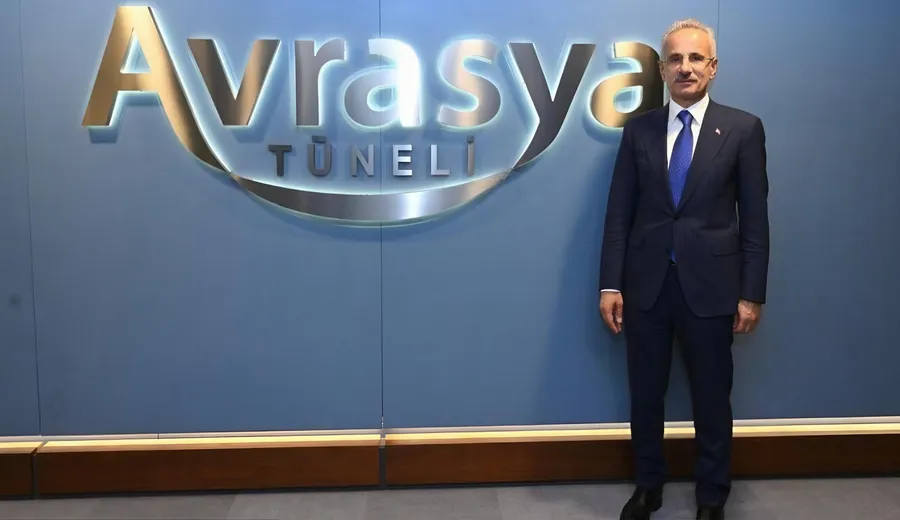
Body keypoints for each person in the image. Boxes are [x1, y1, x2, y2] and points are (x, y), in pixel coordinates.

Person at [598, 18, 769, 520]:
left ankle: (712, 496)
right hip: (646, 287)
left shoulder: (743, 129)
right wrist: (610, 284)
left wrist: (751, 292)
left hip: (713, 289)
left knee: (712, 398)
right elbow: (618, 214)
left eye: (696, 58)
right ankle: (648, 486)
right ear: (661, 69)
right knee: (645, 395)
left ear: (713, 67)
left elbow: (755, 219)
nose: (685, 67)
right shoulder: (639, 131)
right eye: (675, 58)